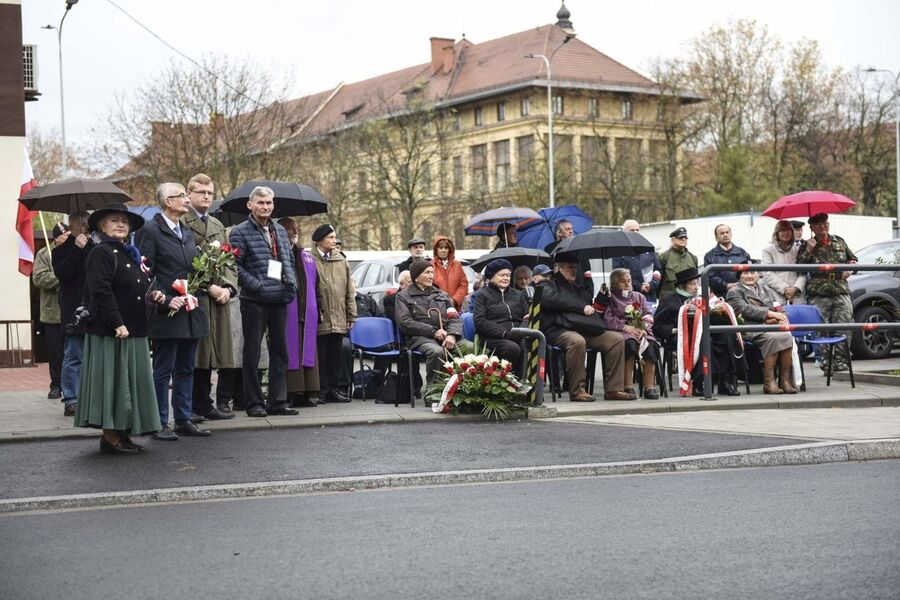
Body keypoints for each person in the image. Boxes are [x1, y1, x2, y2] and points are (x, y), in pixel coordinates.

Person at [74, 203, 162, 453]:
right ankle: (110, 438)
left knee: (128, 385)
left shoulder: (129, 253)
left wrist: (154, 296)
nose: (121, 224)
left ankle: (122, 434)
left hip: (134, 331)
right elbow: (100, 290)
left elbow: (137, 289)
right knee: (113, 385)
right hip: (112, 331)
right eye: (114, 220)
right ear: (102, 226)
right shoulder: (101, 252)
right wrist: (117, 322)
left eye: (124, 221)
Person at [135, 182, 212, 440]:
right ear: (168, 201)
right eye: (181, 196)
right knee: (163, 369)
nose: (186, 200)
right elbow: (146, 273)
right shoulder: (150, 231)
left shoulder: (186, 231)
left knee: (186, 368)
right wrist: (165, 299)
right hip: (167, 312)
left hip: (190, 311)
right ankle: (159, 421)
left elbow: (192, 268)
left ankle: (183, 418)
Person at [227, 185, 299, 417]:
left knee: (281, 351)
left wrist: (291, 286)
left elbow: (287, 260)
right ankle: (254, 403)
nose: (265, 206)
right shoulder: (239, 232)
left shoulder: (279, 229)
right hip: (255, 300)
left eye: (268, 203)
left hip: (279, 298)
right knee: (252, 352)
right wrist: (257, 286)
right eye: (260, 202)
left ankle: (277, 401)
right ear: (250, 205)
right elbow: (235, 267)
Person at [539, 252, 628, 402]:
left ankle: (614, 389)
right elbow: (553, 300)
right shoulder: (547, 284)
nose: (574, 270)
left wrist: (601, 298)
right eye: (569, 267)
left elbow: (591, 310)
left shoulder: (578, 288)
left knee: (616, 339)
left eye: (575, 267)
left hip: (582, 329)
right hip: (558, 330)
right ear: (557, 268)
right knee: (577, 341)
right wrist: (581, 307)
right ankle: (577, 390)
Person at [182, 173, 236, 421]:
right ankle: (191, 405)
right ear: (189, 194)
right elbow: (183, 262)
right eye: (201, 192)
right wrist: (207, 287)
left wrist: (227, 288)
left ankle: (205, 403)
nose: (206, 196)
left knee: (215, 353)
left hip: (218, 300)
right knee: (196, 354)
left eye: (210, 193)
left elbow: (229, 262)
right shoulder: (181, 223)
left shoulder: (217, 226)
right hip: (195, 297)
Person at [653, 267, 745, 397]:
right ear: (682, 286)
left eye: (698, 283)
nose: (696, 287)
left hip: (705, 332)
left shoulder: (705, 298)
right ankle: (698, 382)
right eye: (692, 284)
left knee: (726, 335)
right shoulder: (669, 300)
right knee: (704, 340)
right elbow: (657, 326)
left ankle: (725, 380)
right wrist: (676, 329)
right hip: (681, 337)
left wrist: (719, 312)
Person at [796, 213, 858, 373]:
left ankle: (841, 364)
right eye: (818, 225)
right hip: (819, 292)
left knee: (844, 327)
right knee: (821, 330)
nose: (822, 227)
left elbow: (853, 260)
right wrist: (809, 250)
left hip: (840, 289)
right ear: (811, 228)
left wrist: (849, 269)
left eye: (825, 223)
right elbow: (799, 267)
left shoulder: (839, 241)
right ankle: (826, 364)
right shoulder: (806, 245)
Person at [726, 270, 798, 394]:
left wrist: (783, 318)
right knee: (773, 338)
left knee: (786, 336)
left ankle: (784, 381)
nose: (749, 276)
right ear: (739, 276)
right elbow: (744, 309)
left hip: (771, 326)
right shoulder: (734, 291)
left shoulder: (766, 289)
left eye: (752, 272)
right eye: (745, 273)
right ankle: (769, 383)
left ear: (758, 274)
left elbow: (778, 307)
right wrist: (769, 314)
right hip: (749, 328)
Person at [395, 260, 462, 389]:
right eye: (427, 272)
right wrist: (433, 331)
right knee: (436, 352)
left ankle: (464, 390)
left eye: (432, 272)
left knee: (469, 347)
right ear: (416, 277)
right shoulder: (403, 296)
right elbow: (405, 323)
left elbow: (455, 317)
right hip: (420, 338)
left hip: (447, 336)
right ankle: (433, 392)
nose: (431, 276)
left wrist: (452, 335)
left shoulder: (442, 295)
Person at [52, 211, 93, 417]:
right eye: (81, 224)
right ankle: (71, 399)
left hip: (95, 309)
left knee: (93, 357)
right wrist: (77, 249)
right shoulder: (61, 249)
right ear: (73, 226)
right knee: (73, 355)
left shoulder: (95, 246)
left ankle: (90, 397)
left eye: (88, 223)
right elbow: (63, 273)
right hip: (73, 310)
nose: (85, 227)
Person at [311, 224, 357, 403]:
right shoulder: (309, 259)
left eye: (335, 237)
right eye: (330, 237)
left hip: (339, 316)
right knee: (320, 355)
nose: (334, 241)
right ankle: (320, 389)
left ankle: (334, 388)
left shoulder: (341, 260)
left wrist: (351, 315)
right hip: (320, 316)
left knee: (336, 355)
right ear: (319, 240)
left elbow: (349, 291)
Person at [279, 217, 320, 408]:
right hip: (288, 311)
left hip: (307, 311)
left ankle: (311, 390)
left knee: (308, 352)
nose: (293, 232)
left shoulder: (306, 257)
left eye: (295, 229)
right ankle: (293, 391)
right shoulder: (277, 256)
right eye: (288, 230)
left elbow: (316, 286)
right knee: (291, 351)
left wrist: (317, 307)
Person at [601, 268, 660, 399]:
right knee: (629, 344)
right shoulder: (610, 298)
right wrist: (625, 327)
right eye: (623, 282)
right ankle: (627, 385)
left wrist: (644, 329)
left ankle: (649, 386)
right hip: (622, 331)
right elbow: (608, 319)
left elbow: (648, 315)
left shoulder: (639, 296)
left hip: (641, 330)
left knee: (651, 344)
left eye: (629, 281)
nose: (627, 285)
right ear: (614, 284)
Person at [473, 259, 530, 373]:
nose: (506, 278)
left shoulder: (518, 294)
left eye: (508, 275)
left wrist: (521, 331)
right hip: (494, 337)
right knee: (512, 348)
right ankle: (507, 382)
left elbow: (527, 316)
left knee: (526, 345)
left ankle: (524, 383)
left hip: (518, 334)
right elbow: (480, 321)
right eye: (502, 275)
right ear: (492, 277)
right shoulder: (482, 295)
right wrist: (505, 333)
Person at [32, 225, 65, 400]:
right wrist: (60, 277)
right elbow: (38, 277)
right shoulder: (44, 254)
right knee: (56, 351)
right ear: (57, 238)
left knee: (72, 352)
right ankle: (56, 385)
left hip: (71, 311)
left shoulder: (74, 251)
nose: (68, 238)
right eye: (65, 235)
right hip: (53, 313)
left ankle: (72, 385)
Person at [613, 219, 661, 302]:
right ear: (624, 232)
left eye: (637, 230)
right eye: (632, 230)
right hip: (629, 297)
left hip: (649, 296)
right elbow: (618, 274)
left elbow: (658, 269)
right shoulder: (619, 251)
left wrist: (652, 284)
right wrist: (638, 286)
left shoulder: (648, 248)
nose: (635, 232)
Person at [760, 219, 807, 305]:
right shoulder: (768, 250)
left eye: (788, 230)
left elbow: (803, 273)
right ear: (777, 233)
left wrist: (796, 288)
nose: (786, 233)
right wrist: (785, 289)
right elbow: (767, 272)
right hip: (776, 295)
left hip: (797, 296)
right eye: (782, 230)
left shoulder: (798, 250)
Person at [704, 224, 752, 296]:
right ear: (716, 237)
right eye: (722, 233)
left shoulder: (743, 253)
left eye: (727, 232)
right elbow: (710, 277)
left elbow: (749, 272)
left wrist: (741, 285)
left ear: (731, 234)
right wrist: (726, 286)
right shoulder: (709, 256)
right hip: (720, 297)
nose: (725, 235)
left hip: (742, 294)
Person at [657, 227, 697, 301]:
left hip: (688, 299)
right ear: (673, 240)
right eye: (680, 238)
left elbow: (695, 280)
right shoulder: (664, 257)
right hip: (669, 299)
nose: (684, 239)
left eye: (685, 238)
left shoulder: (692, 257)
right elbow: (658, 281)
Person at [431, 235, 468, 310]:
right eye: (440, 248)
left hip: (455, 308)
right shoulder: (430, 265)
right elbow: (428, 287)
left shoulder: (457, 265)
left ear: (449, 249)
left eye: (446, 248)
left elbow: (463, 285)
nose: (443, 250)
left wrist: (454, 300)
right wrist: (440, 301)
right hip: (437, 307)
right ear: (436, 250)